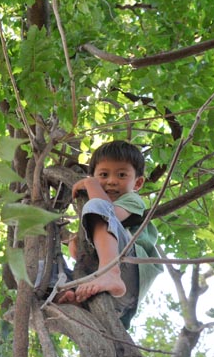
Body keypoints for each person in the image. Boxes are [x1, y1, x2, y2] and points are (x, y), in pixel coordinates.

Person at [57, 140, 163, 327]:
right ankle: (79, 300)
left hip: (128, 275)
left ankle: (109, 272)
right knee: (52, 272)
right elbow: (82, 254)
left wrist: (92, 185)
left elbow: (109, 213)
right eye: (104, 175)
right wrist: (76, 242)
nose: (112, 181)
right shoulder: (95, 217)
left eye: (121, 175)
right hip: (108, 296)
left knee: (96, 206)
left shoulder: (133, 200)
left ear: (137, 182)